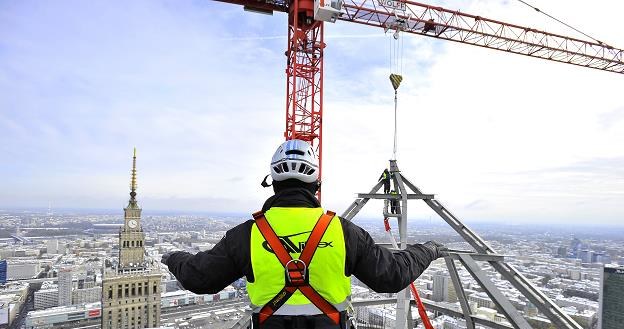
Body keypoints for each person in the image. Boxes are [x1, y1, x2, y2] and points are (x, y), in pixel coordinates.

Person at [161, 139, 448, 329]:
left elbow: (198, 278)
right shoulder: (342, 231)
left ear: (272, 182)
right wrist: (429, 249)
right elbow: (391, 275)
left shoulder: (246, 235)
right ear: (316, 183)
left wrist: (172, 256)